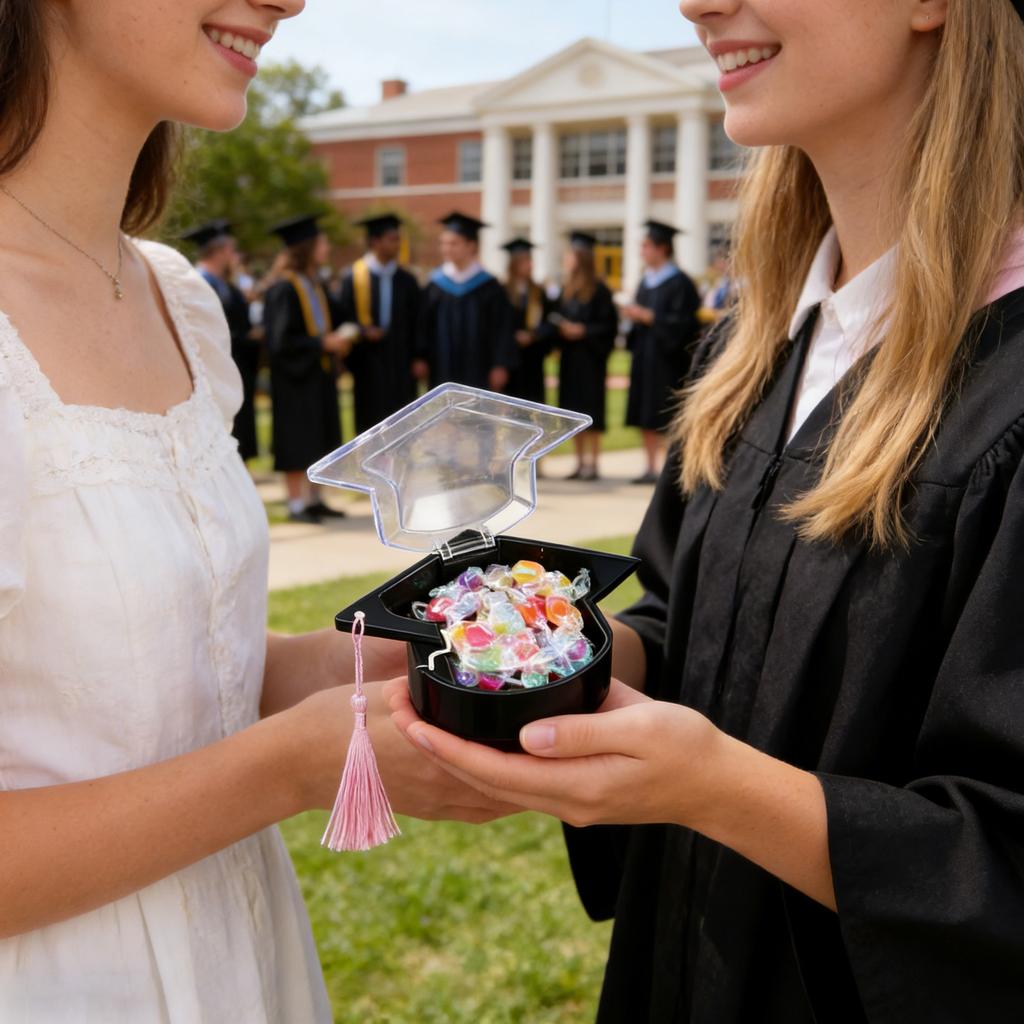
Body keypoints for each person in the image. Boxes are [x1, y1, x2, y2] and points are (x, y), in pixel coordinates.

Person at [391, 1, 1024, 1021]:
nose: (694, 2)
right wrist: (535, 648)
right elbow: (679, 623)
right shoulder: (761, 353)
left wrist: (711, 788)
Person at [0, 3, 505, 1019]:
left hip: (244, 963)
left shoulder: (178, 298)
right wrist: (286, 768)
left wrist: (407, 654)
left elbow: (171, 668)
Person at [264, 213, 349, 523]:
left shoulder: (313, 285)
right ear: (307, 248)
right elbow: (280, 341)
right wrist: (320, 344)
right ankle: (296, 504)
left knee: (319, 438)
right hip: (293, 379)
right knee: (298, 440)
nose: (326, 247)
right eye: (322, 242)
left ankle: (315, 499)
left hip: (317, 375)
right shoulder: (284, 289)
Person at [622, 220, 702, 484]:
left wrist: (650, 316)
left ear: (662, 248)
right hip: (646, 358)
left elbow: (687, 325)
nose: (641, 251)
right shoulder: (646, 282)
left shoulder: (680, 283)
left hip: (669, 361)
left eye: (646, 246)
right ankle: (649, 467)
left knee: (669, 412)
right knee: (646, 411)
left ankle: (673, 468)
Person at [336, 213, 421, 434]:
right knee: (368, 424)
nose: (398, 244)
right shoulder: (352, 278)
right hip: (366, 363)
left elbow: (418, 322)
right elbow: (342, 318)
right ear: (375, 242)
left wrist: (419, 356)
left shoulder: (407, 280)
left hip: (401, 363)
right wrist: (362, 331)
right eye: (392, 239)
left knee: (402, 425)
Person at [185, 219, 261, 461]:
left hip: (237, 365)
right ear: (218, 250)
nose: (233, 254)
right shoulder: (196, 282)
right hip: (210, 370)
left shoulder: (226, 284)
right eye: (230, 248)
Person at [415, 211, 517, 392]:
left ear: (471, 246)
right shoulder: (435, 284)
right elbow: (422, 325)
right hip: (441, 367)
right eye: (443, 243)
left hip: (480, 369)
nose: (446, 249)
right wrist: (420, 357)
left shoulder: (490, 286)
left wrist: (500, 364)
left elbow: (502, 330)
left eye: (453, 243)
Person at [552, 232, 619, 481]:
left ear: (580, 258)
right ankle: (580, 463)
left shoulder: (600, 291)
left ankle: (593, 463)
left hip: (591, 360)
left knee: (592, 409)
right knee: (573, 412)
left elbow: (609, 326)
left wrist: (583, 330)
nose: (566, 259)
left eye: (570, 255)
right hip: (570, 359)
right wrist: (562, 331)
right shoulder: (565, 290)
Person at [502, 238, 555, 405]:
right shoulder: (501, 292)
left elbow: (550, 322)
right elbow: (496, 325)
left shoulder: (539, 292)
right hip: (509, 358)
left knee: (533, 404)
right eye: (525, 261)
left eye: (530, 261)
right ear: (514, 264)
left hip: (533, 358)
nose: (530, 265)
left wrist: (533, 335)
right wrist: (512, 337)